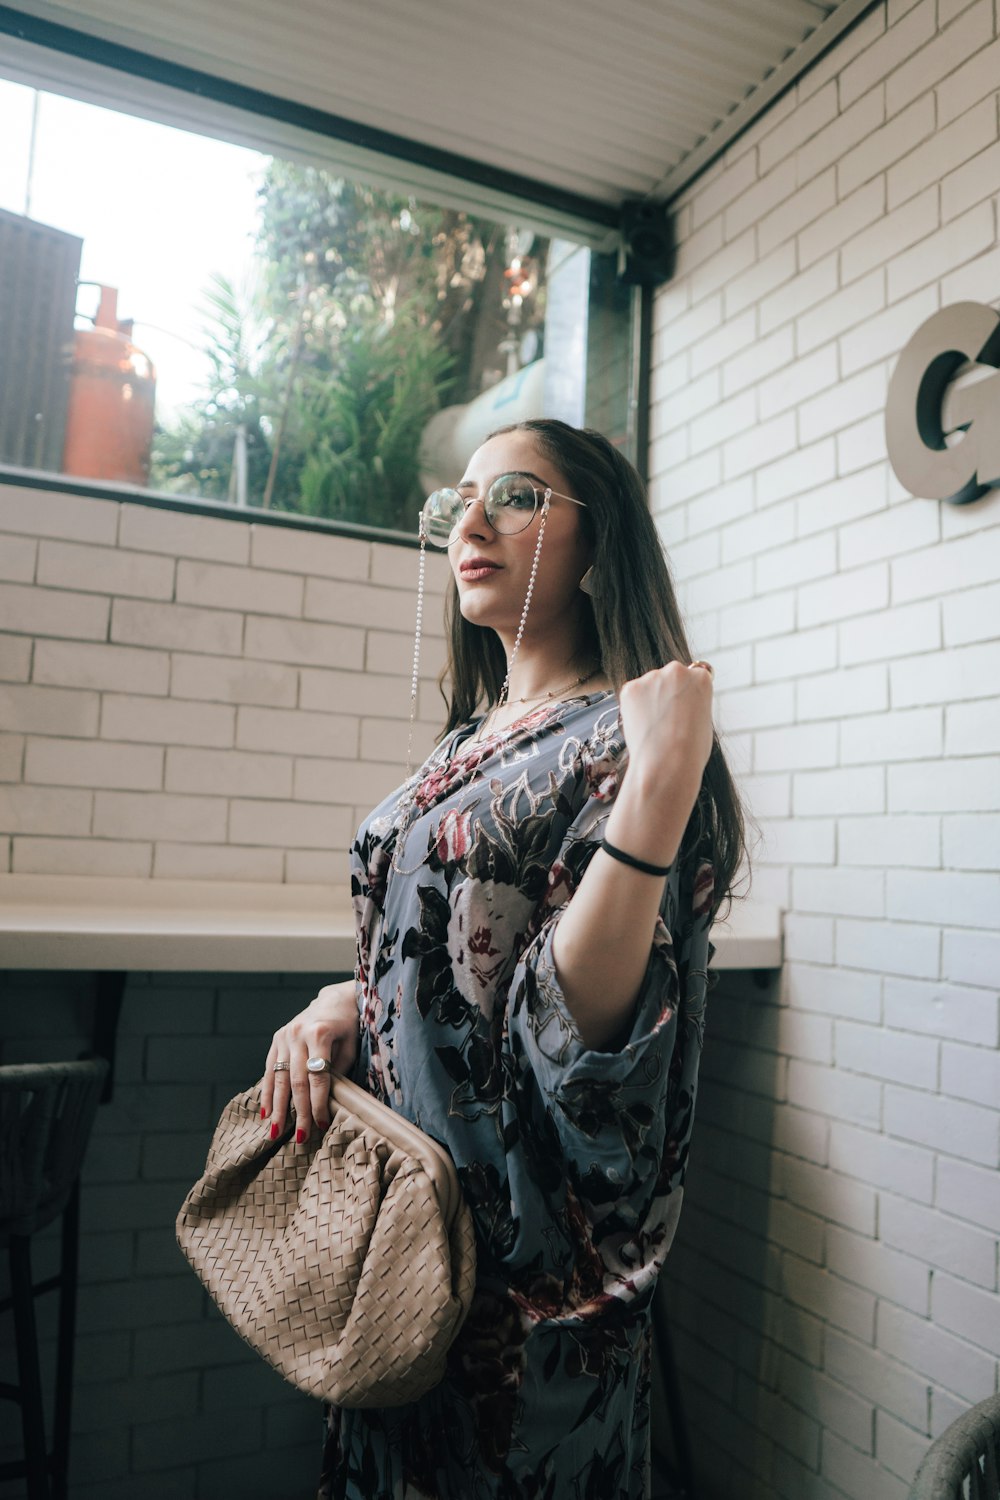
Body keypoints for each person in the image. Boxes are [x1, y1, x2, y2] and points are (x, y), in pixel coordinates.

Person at [260, 418, 748, 1500]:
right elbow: (454, 943)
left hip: (509, 1289)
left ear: (599, 539)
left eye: (518, 497)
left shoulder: (622, 736)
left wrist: (660, 791)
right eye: (460, 504)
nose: (469, 524)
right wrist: (350, 998)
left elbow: (585, 1033)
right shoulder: (475, 730)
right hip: (400, 1244)